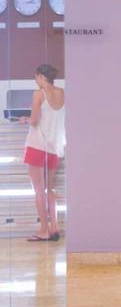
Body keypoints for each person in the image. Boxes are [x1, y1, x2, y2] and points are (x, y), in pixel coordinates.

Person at [19, 64, 65, 242]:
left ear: (40, 76)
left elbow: (34, 120)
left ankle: (43, 230)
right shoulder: (61, 93)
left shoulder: (39, 93)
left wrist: (24, 119)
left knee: (38, 191)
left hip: (37, 146)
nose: (35, 80)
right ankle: (54, 227)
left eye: (35, 77)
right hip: (55, 148)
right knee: (49, 189)